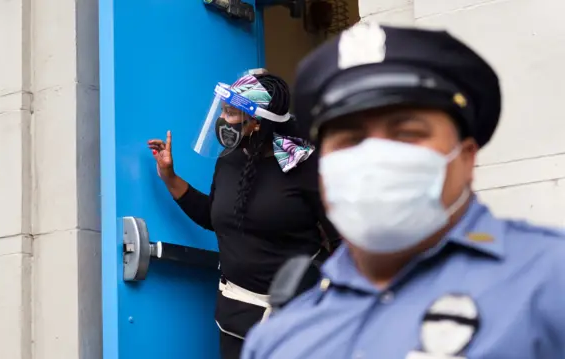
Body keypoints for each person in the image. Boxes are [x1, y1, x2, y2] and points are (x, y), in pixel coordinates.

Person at [242, 22, 565, 359]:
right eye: (350, 139)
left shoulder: (551, 279)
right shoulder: (280, 340)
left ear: (466, 158)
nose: (374, 156)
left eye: (406, 133)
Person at [147, 70, 340, 359]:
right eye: (223, 110)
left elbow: (342, 240)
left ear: (257, 122)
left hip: (300, 316)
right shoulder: (229, 161)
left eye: (231, 112)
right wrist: (170, 177)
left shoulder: (304, 164)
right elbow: (216, 218)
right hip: (237, 316)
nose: (223, 120)